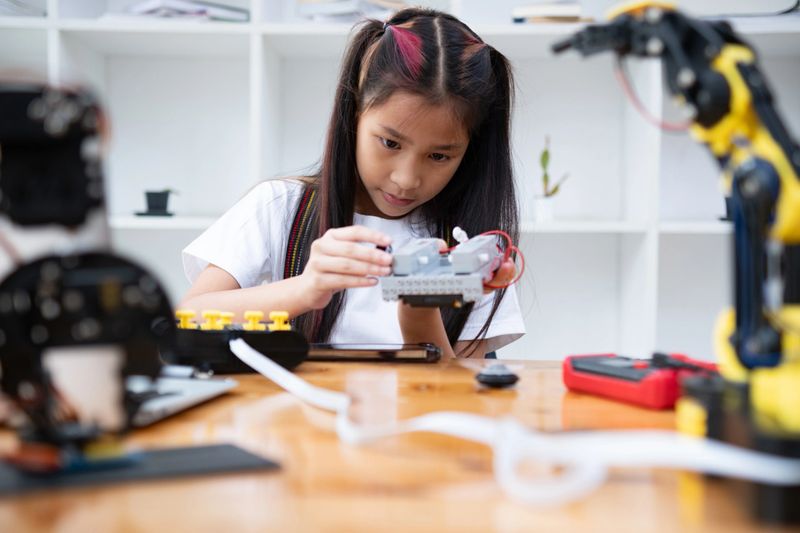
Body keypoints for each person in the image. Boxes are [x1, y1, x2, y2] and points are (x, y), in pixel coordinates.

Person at [180, 7, 524, 359]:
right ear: (354, 113)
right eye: (390, 143)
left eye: (439, 156)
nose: (405, 180)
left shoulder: (476, 251)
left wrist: (417, 312)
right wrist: (306, 289)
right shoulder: (281, 206)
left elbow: (463, 397)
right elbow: (189, 319)